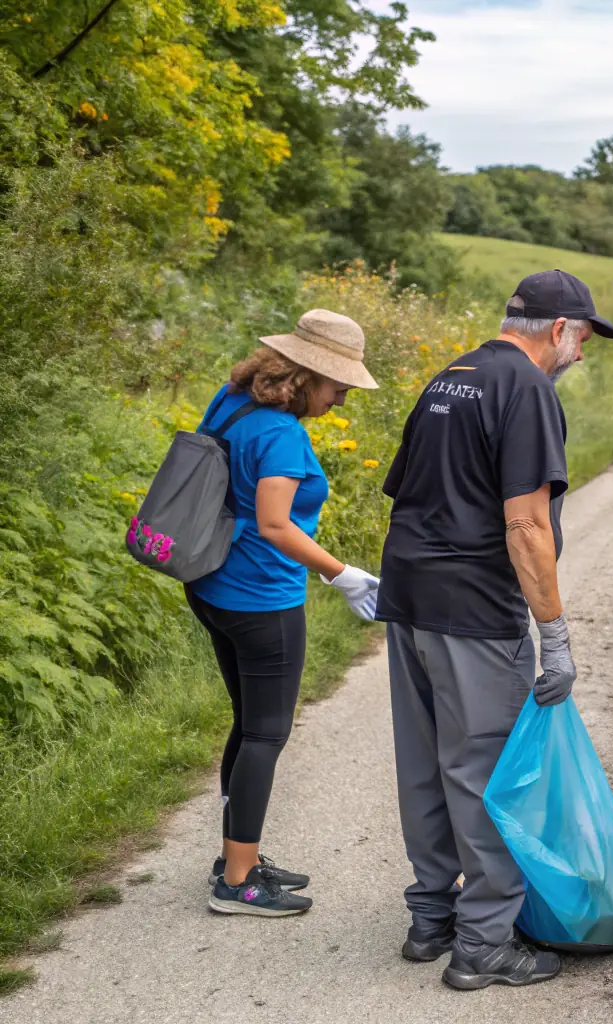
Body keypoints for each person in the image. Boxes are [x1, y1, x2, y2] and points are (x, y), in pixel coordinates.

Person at [376, 269, 613, 991]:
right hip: (474, 610)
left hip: (409, 594)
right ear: (556, 330)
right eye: (581, 339)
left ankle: (431, 917)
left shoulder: (447, 377)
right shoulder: (527, 389)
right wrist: (554, 634)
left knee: (425, 763)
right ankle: (483, 943)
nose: (580, 355)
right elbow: (524, 522)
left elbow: (410, 492)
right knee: (487, 775)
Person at [190, 309, 382, 918]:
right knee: (266, 733)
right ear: (305, 376)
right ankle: (238, 884)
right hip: (260, 596)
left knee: (248, 724)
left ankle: (235, 856)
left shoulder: (232, 400)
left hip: (211, 583)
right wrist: (341, 572)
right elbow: (274, 523)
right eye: (338, 385)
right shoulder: (280, 434)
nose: (343, 396)